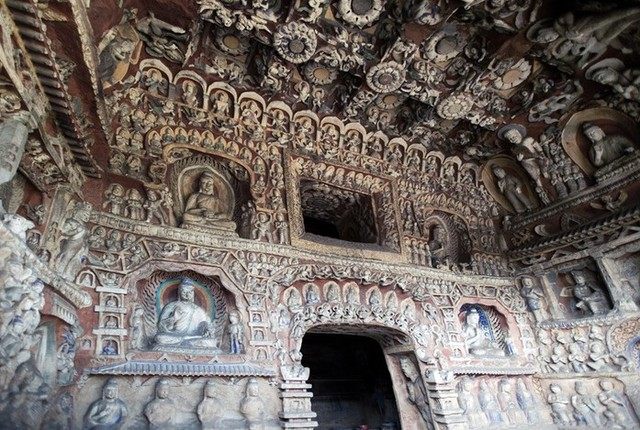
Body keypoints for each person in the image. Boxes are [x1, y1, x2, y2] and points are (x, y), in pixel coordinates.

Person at [154, 278, 218, 349]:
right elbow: (161, 326)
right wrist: (173, 318)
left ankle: (185, 342)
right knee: (160, 338)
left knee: (211, 342)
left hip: (193, 337)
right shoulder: (172, 306)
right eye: (184, 292)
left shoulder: (198, 310)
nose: (187, 295)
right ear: (179, 292)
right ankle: (186, 343)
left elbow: (205, 324)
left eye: (190, 292)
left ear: (193, 293)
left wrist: (206, 328)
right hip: (174, 336)